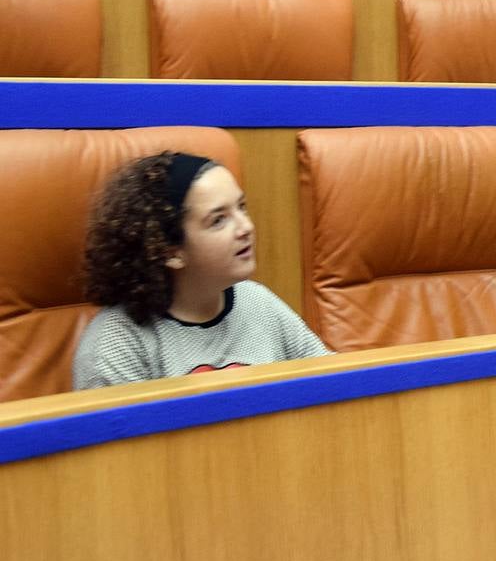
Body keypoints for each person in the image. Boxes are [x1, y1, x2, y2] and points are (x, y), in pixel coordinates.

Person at [73, 152, 331, 389]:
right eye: (218, 220)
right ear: (171, 252)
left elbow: (332, 382)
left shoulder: (257, 301)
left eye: (241, 207)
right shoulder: (117, 343)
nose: (246, 228)